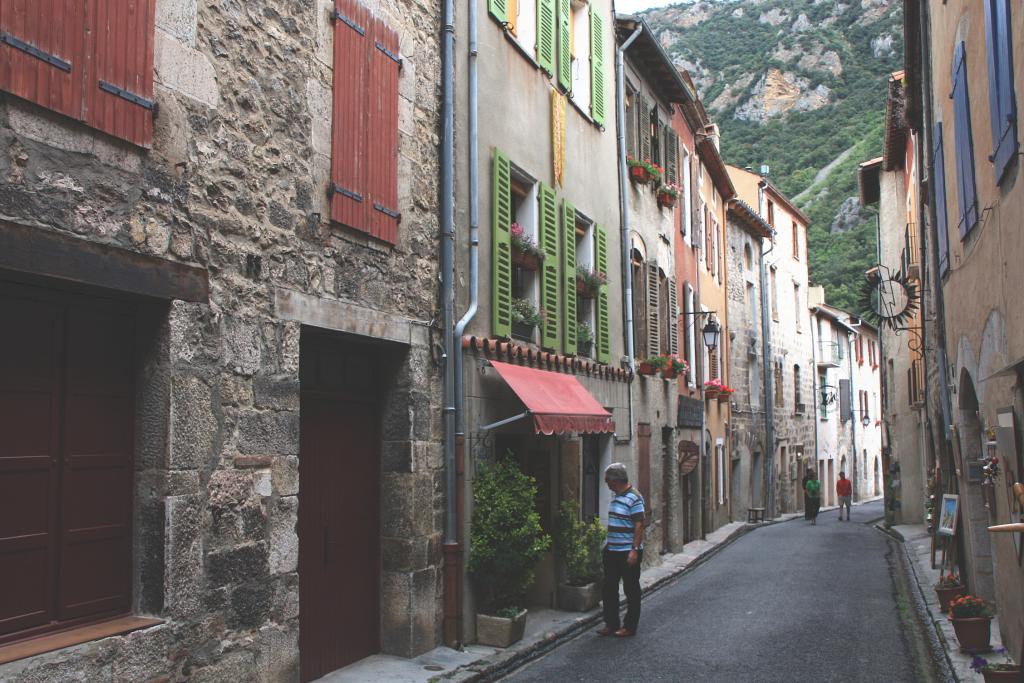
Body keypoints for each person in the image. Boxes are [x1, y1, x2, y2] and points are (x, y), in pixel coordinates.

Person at [597, 462, 645, 638]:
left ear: (615, 481)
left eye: (607, 481)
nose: (606, 484)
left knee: (631, 590)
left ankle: (629, 627)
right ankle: (611, 623)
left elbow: (639, 524)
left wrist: (634, 550)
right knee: (609, 588)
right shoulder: (617, 496)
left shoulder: (634, 497)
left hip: (627, 552)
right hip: (612, 551)